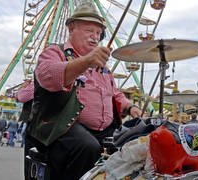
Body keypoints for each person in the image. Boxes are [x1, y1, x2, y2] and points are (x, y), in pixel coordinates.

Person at [26, 2, 142, 180]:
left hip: (102, 130)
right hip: (60, 128)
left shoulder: (103, 68)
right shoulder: (54, 53)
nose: (95, 37)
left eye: (98, 33)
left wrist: (130, 107)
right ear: (72, 28)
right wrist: (86, 61)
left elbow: (115, 94)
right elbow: (48, 76)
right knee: (87, 146)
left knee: (134, 143)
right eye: (89, 30)